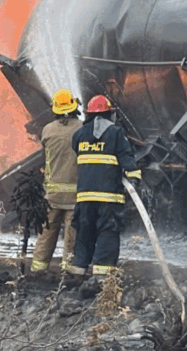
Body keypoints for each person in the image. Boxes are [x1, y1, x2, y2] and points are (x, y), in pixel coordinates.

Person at [70, 94, 141, 276]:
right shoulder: (116, 133)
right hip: (109, 196)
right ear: (109, 114)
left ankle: (78, 269)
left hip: (84, 195)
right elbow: (127, 158)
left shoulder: (79, 135)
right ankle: (102, 275)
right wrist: (134, 180)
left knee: (84, 231)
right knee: (107, 231)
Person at [31, 89, 83, 275]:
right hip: (75, 194)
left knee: (47, 231)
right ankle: (68, 272)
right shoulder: (83, 129)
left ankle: (38, 268)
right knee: (72, 234)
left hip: (51, 193)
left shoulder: (47, 130)